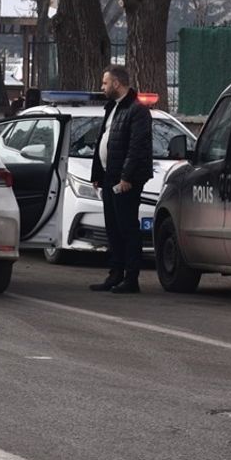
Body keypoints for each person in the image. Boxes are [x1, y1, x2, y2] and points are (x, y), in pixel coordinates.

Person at [88, 64, 153, 294]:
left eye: (105, 82)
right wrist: (97, 174)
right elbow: (103, 141)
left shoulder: (137, 111)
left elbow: (136, 147)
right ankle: (115, 273)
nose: (102, 86)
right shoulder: (113, 108)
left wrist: (126, 177)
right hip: (109, 177)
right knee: (112, 228)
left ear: (117, 83)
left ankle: (131, 277)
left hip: (125, 180)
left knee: (127, 228)